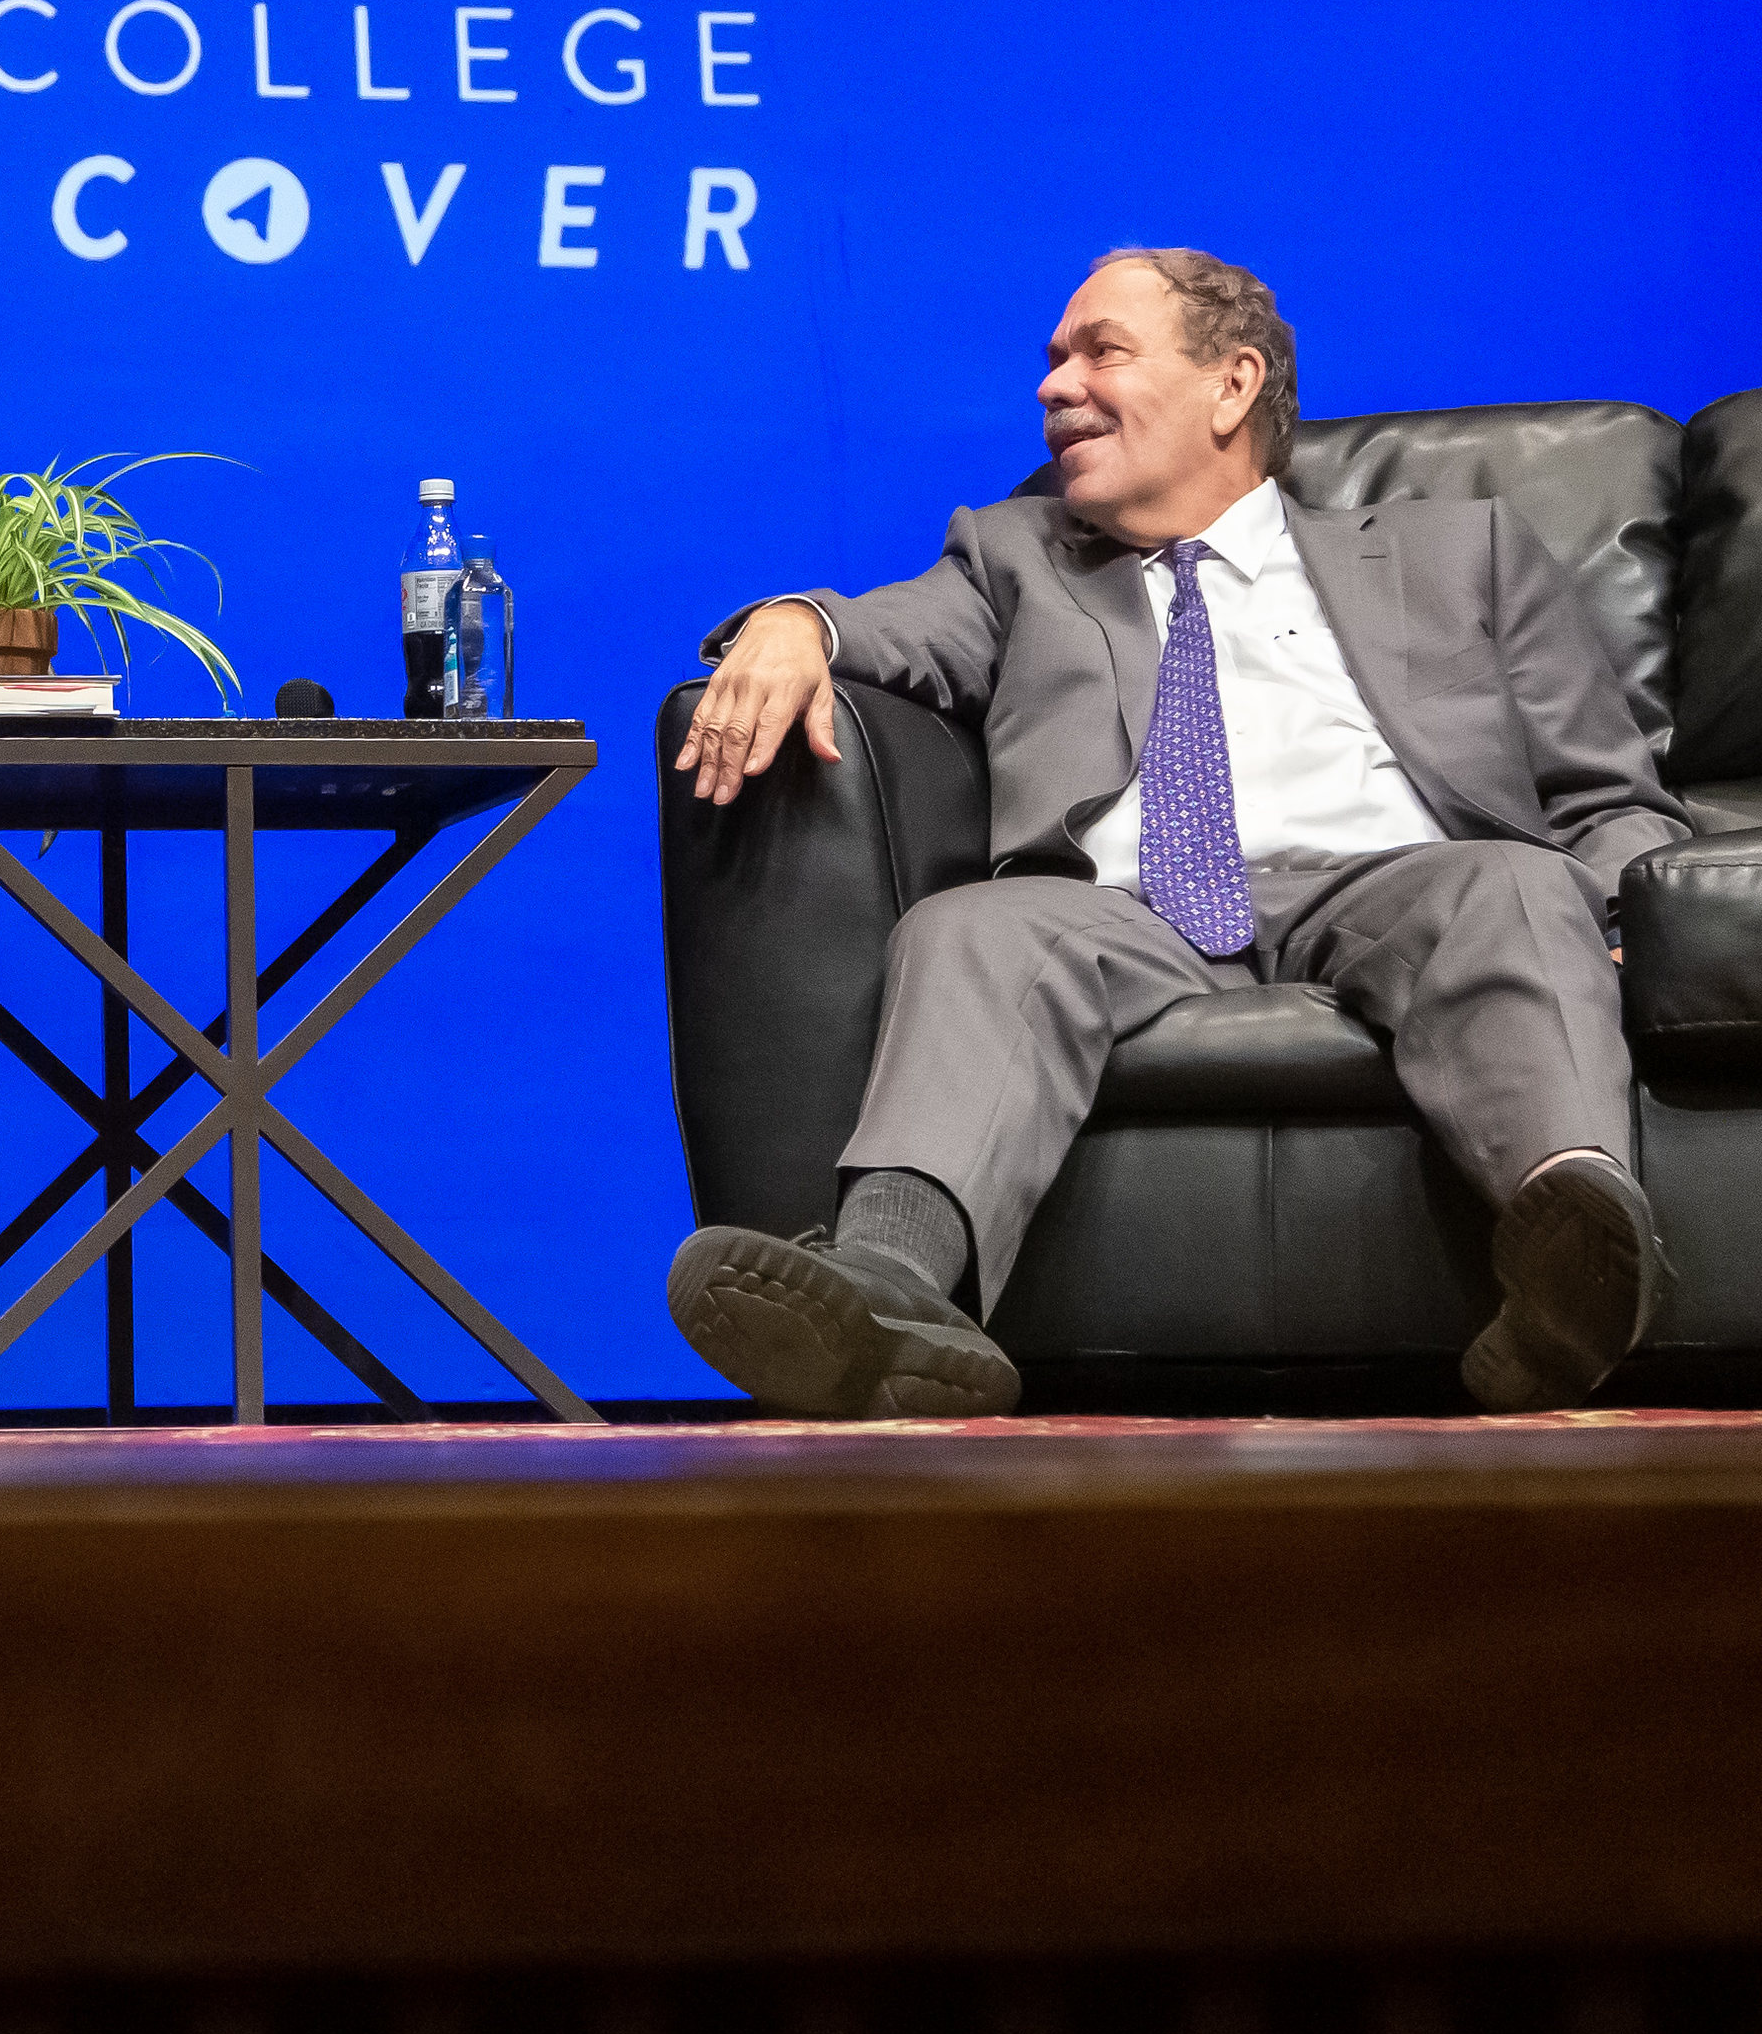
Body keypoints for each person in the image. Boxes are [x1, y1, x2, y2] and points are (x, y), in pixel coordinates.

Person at [663, 248, 1688, 1421]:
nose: (1053, 386)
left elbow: (1607, 801)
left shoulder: (1457, 555)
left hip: (1400, 881)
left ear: (1232, 384)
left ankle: (1577, 1250)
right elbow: (890, 630)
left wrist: (1607, 917)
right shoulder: (1013, 557)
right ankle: (888, 1302)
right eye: (1052, 361)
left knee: (1516, 884)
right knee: (973, 926)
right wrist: (797, 621)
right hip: (1125, 910)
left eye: (1101, 350)